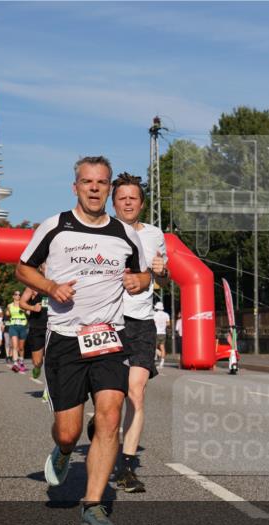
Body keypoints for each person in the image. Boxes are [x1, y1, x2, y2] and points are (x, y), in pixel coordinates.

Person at [15, 155, 149, 525]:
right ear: (75, 187)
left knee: (110, 416)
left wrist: (141, 282)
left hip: (109, 336)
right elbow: (22, 268)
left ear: (108, 188)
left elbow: (141, 275)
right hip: (65, 339)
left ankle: (93, 505)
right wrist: (50, 287)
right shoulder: (55, 227)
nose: (94, 188)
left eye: (101, 182)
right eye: (87, 182)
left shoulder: (125, 234)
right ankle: (62, 450)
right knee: (69, 432)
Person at [111, 172, 168, 493]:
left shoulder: (155, 235)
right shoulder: (101, 231)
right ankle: (103, 427)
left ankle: (127, 467)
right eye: (122, 198)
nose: (128, 202)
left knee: (136, 393)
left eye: (134, 198)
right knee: (111, 397)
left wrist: (163, 272)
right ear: (114, 202)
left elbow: (163, 278)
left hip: (142, 322)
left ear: (142, 203)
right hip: (107, 322)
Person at [18, 286, 49, 399]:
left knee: (51, 361)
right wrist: (32, 307)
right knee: (37, 361)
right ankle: (37, 368)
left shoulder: (58, 282)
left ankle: (48, 390)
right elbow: (21, 303)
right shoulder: (33, 287)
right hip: (37, 328)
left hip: (53, 327)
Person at [6, 290, 29, 372]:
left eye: (19, 295)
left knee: (21, 347)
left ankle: (21, 362)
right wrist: (8, 313)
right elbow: (7, 314)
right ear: (13, 296)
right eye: (16, 294)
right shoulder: (9, 305)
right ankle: (15, 363)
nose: (18, 296)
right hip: (13, 326)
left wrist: (25, 311)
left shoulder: (24, 304)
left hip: (23, 326)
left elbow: (29, 313)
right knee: (15, 346)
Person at [153, 301, 170, 369]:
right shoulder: (166, 314)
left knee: (154, 347)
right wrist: (163, 326)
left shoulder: (154, 314)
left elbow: (153, 323)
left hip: (156, 332)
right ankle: (162, 363)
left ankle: (155, 359)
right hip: (163, 333)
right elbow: (168, 324)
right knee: (162, 347)